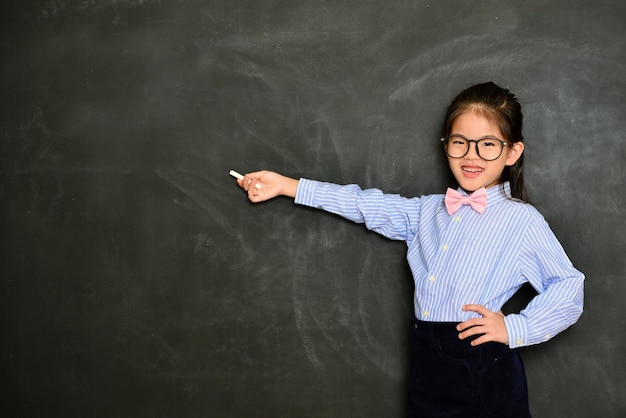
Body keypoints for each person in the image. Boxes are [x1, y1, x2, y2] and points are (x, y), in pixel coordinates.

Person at [234, 82, 584, 418]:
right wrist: (287, 185)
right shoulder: (426, 210)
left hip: (482, 366)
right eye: (460, 142)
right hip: (427, 362)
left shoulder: (521, 220)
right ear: (446, 144)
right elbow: (362, 204)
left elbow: (568, 286)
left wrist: (516, 328)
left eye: (488, 144)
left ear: (512, 151)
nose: (471, 155)